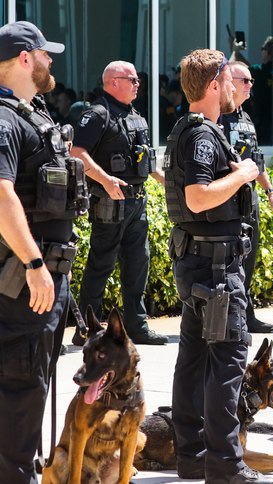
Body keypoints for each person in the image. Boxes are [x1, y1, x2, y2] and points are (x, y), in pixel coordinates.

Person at [163, 48, 273, 484]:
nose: (233, 89)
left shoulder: (187, 131)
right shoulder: (202, 136)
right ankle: (225, 464)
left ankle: (190, 456)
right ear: (214, 86)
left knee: (193, 361)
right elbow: (197, 196)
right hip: (215, 269)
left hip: (199, 266)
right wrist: (244, 174)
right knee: (227, 364)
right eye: (229, 82)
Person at [0, 21, 86, 483]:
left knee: (32, 389)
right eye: (45, 54)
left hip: (43, 281)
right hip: (20, 284)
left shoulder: (34, 114)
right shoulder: (4, 119)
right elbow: (1, 195)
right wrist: (34, 264)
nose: (52, 62)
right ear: (25, 58)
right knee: (19, 389)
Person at [72, 61, 168, 345]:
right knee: (101, 264)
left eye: (138, 80)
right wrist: (105, 180)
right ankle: (86, 330)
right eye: (132, 80)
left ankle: (136, 327)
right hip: (109, 204)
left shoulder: (135, 116)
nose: (138, 84)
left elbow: (146, 161)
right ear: (113, 81)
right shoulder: (98, 114)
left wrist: (170, 184)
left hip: (137, 203)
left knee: (138, 264)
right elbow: (77, 152)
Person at [221, 61, 273, 333]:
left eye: (250, 81)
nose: (250, 85)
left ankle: (245, 313)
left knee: (249, 256)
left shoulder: (246, 118)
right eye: (245, 80)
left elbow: (255, 161)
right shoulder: (218, 117)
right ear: (230, 82)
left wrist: (269, 191)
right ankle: (228, 315)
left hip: (250, 199)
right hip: (226, 199)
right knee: (229, 260)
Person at [231, 36, 273, 145]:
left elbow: (235, 69)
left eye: (263, 49)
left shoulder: (258, 72)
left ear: (267, 52)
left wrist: (235, 50)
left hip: (261, 131)